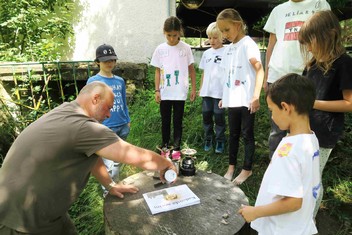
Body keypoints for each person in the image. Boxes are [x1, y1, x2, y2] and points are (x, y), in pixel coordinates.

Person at [0, 81, 176, 235]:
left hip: (43, 211)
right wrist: (165, 164)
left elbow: (91, 155)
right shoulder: (83, 127)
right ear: (95, 98)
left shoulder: (66, 111)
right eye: (108, 108)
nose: (108, 115)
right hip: (22, 220)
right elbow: (131, 155)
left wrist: (110, 184)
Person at [239, 73, 320, 235]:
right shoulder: (310, 138)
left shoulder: (289, 151)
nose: (272, 116)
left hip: (282, 229)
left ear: (285, 107)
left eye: (272, 110)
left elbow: (293, 202)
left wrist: (255, 212)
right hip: (300, 226)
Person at [298, 10, 352, 218]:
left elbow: (349, 103)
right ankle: (297, 215)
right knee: (301, 176)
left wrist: (314, 103)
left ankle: (308, 223)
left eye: (311, 42)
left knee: (312, 178)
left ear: (328, 35)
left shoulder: (344, 64)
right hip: (303, 129)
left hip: (323, 133)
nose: (309, 48)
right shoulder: (312, 64)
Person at [263, 0, 331, 159]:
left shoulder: (320, 4)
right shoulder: (278, 10)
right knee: (277, 128)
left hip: (308, 74)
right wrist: (267, 73)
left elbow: (327, 39)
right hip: (278, 74)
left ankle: (304, 164)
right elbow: (272, 44)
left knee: (307, 124)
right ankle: (276, 164)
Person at [216, 8, 264, 184]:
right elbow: (228, 75)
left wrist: (256, 96)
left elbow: (260, 69)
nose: (224, 34)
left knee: (247, 134)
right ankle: (231, 167)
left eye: (226, 29)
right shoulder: (228, 49)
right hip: (233, 100)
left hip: (247, 100)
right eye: (221, 31)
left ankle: (247, 169)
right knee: (233, 134)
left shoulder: (248, 44)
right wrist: (224, 96)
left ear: (237, 25)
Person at [87, 44, 131, 197]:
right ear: (98, 62)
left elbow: (124, 102)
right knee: (108, 163)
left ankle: (115, 183)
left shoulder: (119, 81)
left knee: (118, 159)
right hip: (105, 127)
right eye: (105, 60)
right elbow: (90, 105)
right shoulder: (93, 81)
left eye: (112, 59)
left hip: (122, 125)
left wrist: (127, 119)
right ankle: (108, 190)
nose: (109, 63)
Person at [151, 16, 196, 160]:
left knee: (178, 121)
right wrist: (157, 90)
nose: (171, 38)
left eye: (174, 35)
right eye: (168, 35)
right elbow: (157, 71)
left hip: (180, 92)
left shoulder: (186, 48)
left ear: (180, 32)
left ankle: (176, 148)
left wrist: (194, 89)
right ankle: (165, 146)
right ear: (164, 33)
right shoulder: (160, 49)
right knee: (165, 120)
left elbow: (191, 70)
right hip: (165, 92)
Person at [198, 22, 226, 153]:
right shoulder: (206, 53)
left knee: (219, 117)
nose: (212, 41)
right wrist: (201, 88)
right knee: (206, 116)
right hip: (207, 93)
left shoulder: (227, 52)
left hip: (220, 93)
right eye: (210, 38)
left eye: (215, 37)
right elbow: (204, 73)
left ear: (222, 37)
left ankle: (220, 141)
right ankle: (208, 138)